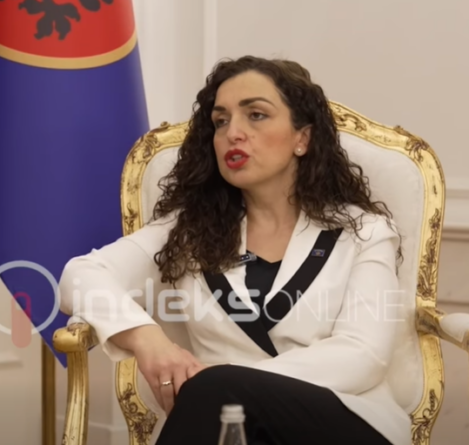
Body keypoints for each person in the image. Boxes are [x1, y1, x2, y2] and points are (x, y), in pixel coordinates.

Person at [59, 55, 411, 445]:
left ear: (303, 138)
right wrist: (147, 338)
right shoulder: (187, 230)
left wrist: (224, 381)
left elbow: (363, 355)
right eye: (221, 121)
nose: (233, 133)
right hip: (221, 420)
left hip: (344, 417)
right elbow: (81, 275)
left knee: (220, 396)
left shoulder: (364, 231)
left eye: (256, 115)